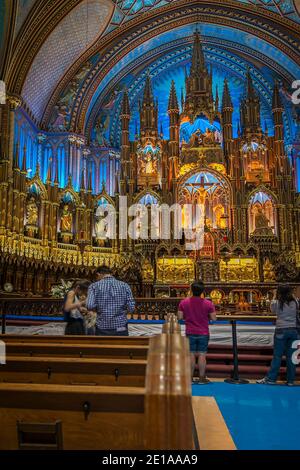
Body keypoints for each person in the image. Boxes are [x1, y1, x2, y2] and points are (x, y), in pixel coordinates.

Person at [257, 284, 299, 386]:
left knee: (277, 356)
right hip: (294, 330)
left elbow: (272, 311)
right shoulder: (295, 302)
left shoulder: (276, 302)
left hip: (281, 330)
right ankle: (290, 380)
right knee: (291, 357)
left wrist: (276, 295)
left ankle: (271, 379)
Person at [178, 281, 217, 384]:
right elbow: (214, 318)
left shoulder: (183, 302)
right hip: (203, 332)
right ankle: (201, 378)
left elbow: (180, 317)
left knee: (190, 354)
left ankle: (190, 378)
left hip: (190, 331)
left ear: (191, 290)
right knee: (202, 354)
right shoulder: (208, 303)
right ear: (202, 291)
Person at [86, 265, 135, 336]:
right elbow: (131, 308)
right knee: (121, 346)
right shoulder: (125, 285)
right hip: (120, 327)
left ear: (98, 274)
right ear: (110, 273)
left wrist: (99, 308)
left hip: (102, 327)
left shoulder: (94, 286)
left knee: (103, 347)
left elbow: (89, 305)